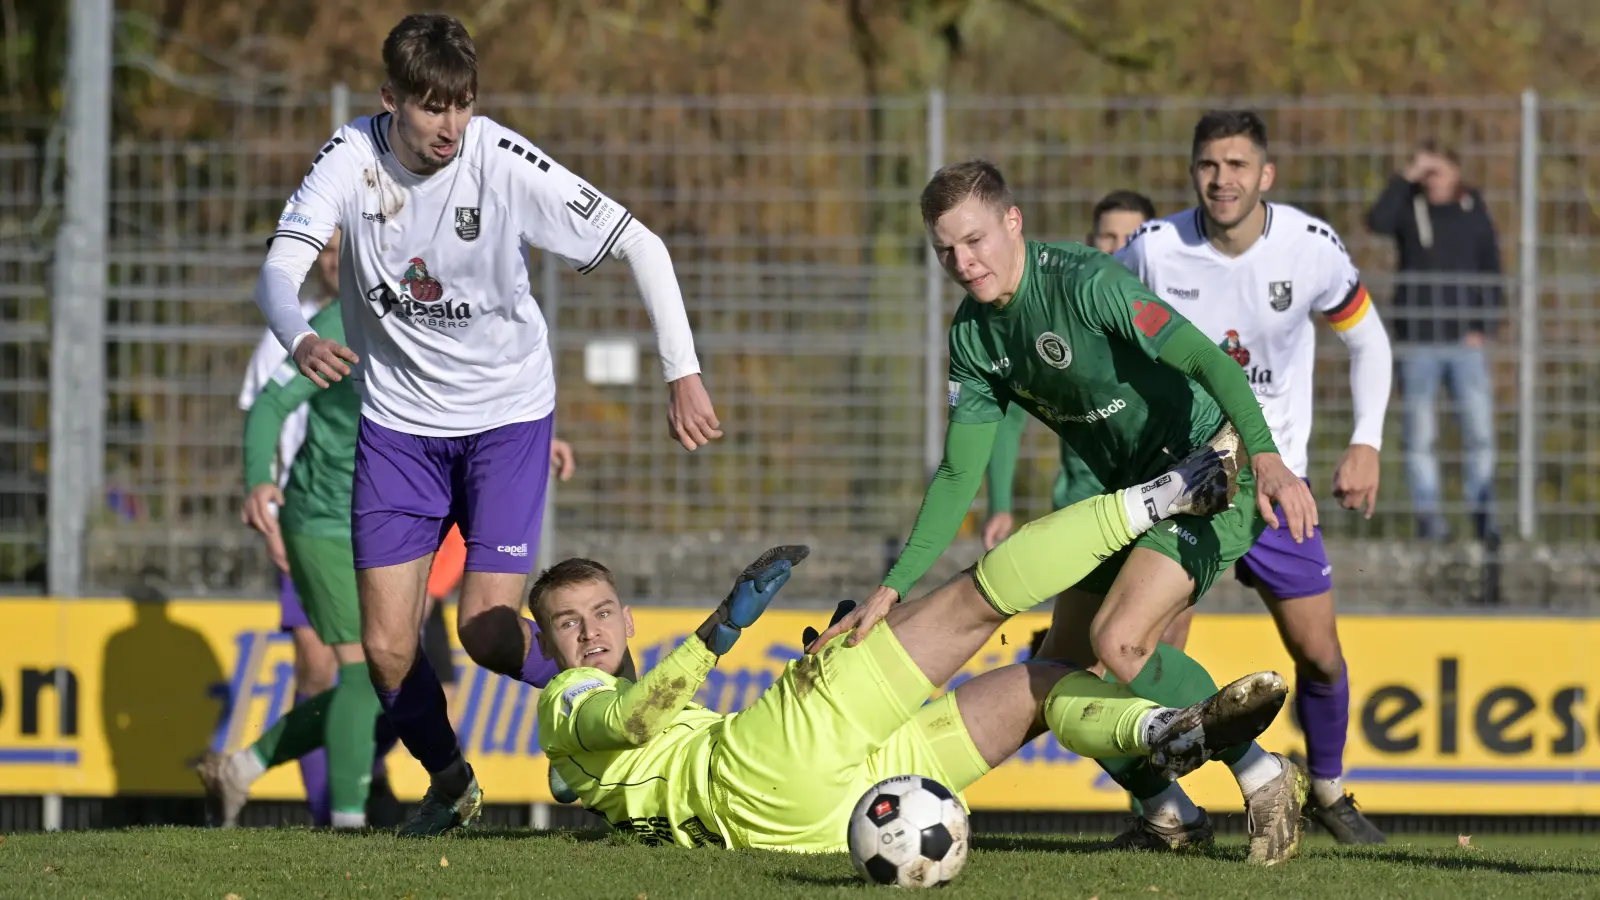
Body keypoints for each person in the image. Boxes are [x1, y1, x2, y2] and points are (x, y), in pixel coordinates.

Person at [252, 13, 718, 836]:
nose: (451, 125)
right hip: (399, 429)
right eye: (432, 107)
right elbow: (278, 270)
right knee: (388, 650)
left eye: (462, 104)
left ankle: (617, 718)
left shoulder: (498, 160)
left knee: (486, 632)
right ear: (390, 99)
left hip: (506, 419)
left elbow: (641, 244)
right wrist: (300, 337)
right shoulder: (350, 160)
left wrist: (682, 372)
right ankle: (452, 783)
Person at [811, 159, 1318, 865]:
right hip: (1127, 496)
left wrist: (1265, 457)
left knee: (1120, 642)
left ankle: (1264, 776)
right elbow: (958, 472)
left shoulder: (1086, 283)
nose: (963, 262)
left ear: (1013, 221)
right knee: (1056, 672)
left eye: (975, 240)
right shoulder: (974, 338)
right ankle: (1168, 813)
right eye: (946, 250)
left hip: (1211, 469)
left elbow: (1210, 361)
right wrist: (892, 588)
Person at [537, 458, 1293, 852]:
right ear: (544, 646)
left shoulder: (586, 759)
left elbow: (615, 759)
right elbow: (632, 721)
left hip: (819, 823)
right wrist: (718, 632)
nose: (590, 634)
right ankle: (1166, 494)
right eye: (567, 625)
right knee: (975, 600)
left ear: (628, 619)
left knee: (1044, 686)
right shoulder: (566, 697)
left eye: (601, 613)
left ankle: (1158, 731)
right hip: (761, 768)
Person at [1111, 110, 1393, 844]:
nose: (1222, 179)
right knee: (1148, 650)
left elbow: (1369, 341)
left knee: (1319, 655)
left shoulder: (1310, 247)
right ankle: (1165, 812)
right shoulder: (1154, 249)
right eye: (1209, 164)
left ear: (1265, 174)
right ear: (1192, 171)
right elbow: (1102, 334)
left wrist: (1365, 442)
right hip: (1182, 486)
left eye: (1237, 165)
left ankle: (1327, 789)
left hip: (1275, 489)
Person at [205, 295, 583, 828]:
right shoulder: (337, 322)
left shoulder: (429, 304)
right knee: (363, 672)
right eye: (328, 254)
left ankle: (243, 768)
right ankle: (347, 822)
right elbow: (270, 403)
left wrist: (520, 440)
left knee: (401, 680)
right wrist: (258, 481)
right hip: (326, 524)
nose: (336, 261)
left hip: (403, 516)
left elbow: (462, 391)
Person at [982, 190, 1197, 654]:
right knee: (1081, 648)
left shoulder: (1164, 324)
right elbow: (1008, 416)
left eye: (1130, 238)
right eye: (1107, 237)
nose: (1118, 249)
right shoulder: (1060, 314)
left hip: (1168, 493)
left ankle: (1170, 703)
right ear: (1089, 240)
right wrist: (999, 503)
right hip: (1089, 504)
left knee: (1164, 637)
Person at [235, 229, 342, 826]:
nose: (336, 260)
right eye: (326, 250)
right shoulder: (291, 331)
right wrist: (270, 515)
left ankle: (361, 783)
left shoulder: (396, 323)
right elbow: (265, 416)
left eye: (345, 247)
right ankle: (330, 810)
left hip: (376, 523)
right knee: (320, 666)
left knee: (383, 669)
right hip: (308, 520)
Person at [1365, 141, 1502, 556]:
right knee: (1420, 437)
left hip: (1465, 342)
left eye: (1438, 172)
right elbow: (1377, 220)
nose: (1432, 181)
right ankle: (1430, 521)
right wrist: (1407, 177)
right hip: (1418, 342)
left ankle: (1483, 517)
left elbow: (1492, 265)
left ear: (1456, 171)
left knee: (1479, 433)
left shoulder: (1472, 209)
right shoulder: (1409, 207)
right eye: (1426, 174)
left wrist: (1484, 325)